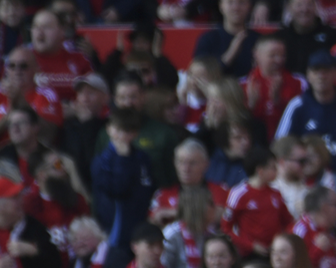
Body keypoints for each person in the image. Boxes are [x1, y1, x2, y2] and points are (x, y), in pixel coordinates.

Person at [275, 51, 336, 189]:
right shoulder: (298, 105)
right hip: (304, 183)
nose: (321, 76)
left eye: (326, 71)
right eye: (316, 71)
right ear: (308, 75)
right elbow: (281, 144)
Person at [91, 108, 155, 251]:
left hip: (140, 223)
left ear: (135, 133)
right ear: (109, 130)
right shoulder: (102, 161)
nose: (121, 136)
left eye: (127, 131)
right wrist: (122, 160)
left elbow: (148, 188)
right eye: (117, 130)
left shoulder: (142, 158)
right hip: (114, 228)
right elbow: (118, 189)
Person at [221, 148, 293, 259]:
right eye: (273, 167)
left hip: (275, 253)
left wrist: (282, 243)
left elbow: (288, 222)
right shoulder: (239, 194)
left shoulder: (276, 194)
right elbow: (226, 228)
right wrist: (251, 245)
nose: (277, 171)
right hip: (249, 255)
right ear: (260, 171)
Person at [0, 176, 62, 268]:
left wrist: (35, 251)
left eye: (19, 196)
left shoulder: (35, 229)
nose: (20, 201)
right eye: (13, 198)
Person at [149, 139, 228, 227]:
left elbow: (221, 215)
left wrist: (175, 213)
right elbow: (153, 220)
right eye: (181, 162)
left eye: (192, 163)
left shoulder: (219, 190)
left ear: (206, 164)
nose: (185, 169)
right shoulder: (163, 194)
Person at [242, 35, 307, 140]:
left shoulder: (298, 82)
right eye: (272, 55)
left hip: (288, 141)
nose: (279, 60)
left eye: (283, 56)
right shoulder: (243, 84)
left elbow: (302, 118)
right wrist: (251, 105)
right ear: (256, 54)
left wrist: (278, 101)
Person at [28, 10, 93, 102]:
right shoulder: (21, 61)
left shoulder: (79, 59)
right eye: (35, 27)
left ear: (62, 31)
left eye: (46, 27)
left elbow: (92, 95)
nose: (40, 32)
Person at [61, 73, 109, 189]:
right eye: (81, 93)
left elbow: (93, 163)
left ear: (105, 98)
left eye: (91, 93)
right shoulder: (68, 125)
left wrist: (88, 123)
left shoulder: (110, 126)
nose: (85, 98)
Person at [275, 0, 336, 75]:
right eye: (299, 5)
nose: (304, 9)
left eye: (309, 4)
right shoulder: (278, 38)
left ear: (316, 7)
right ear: (289, 8)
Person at [162, 187, 218, 268]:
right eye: (211, 204)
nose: (215, 208)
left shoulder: (213, 235)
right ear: (199, 207)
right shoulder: (173, 234)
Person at [193, 0, 259, 78]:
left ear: (249, 7)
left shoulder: (259, 40)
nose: (236, 8)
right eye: (230, 2)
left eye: (241, 2)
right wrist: (230, 54)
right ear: (221, 6)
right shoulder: (208, 39)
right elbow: (200, 73)